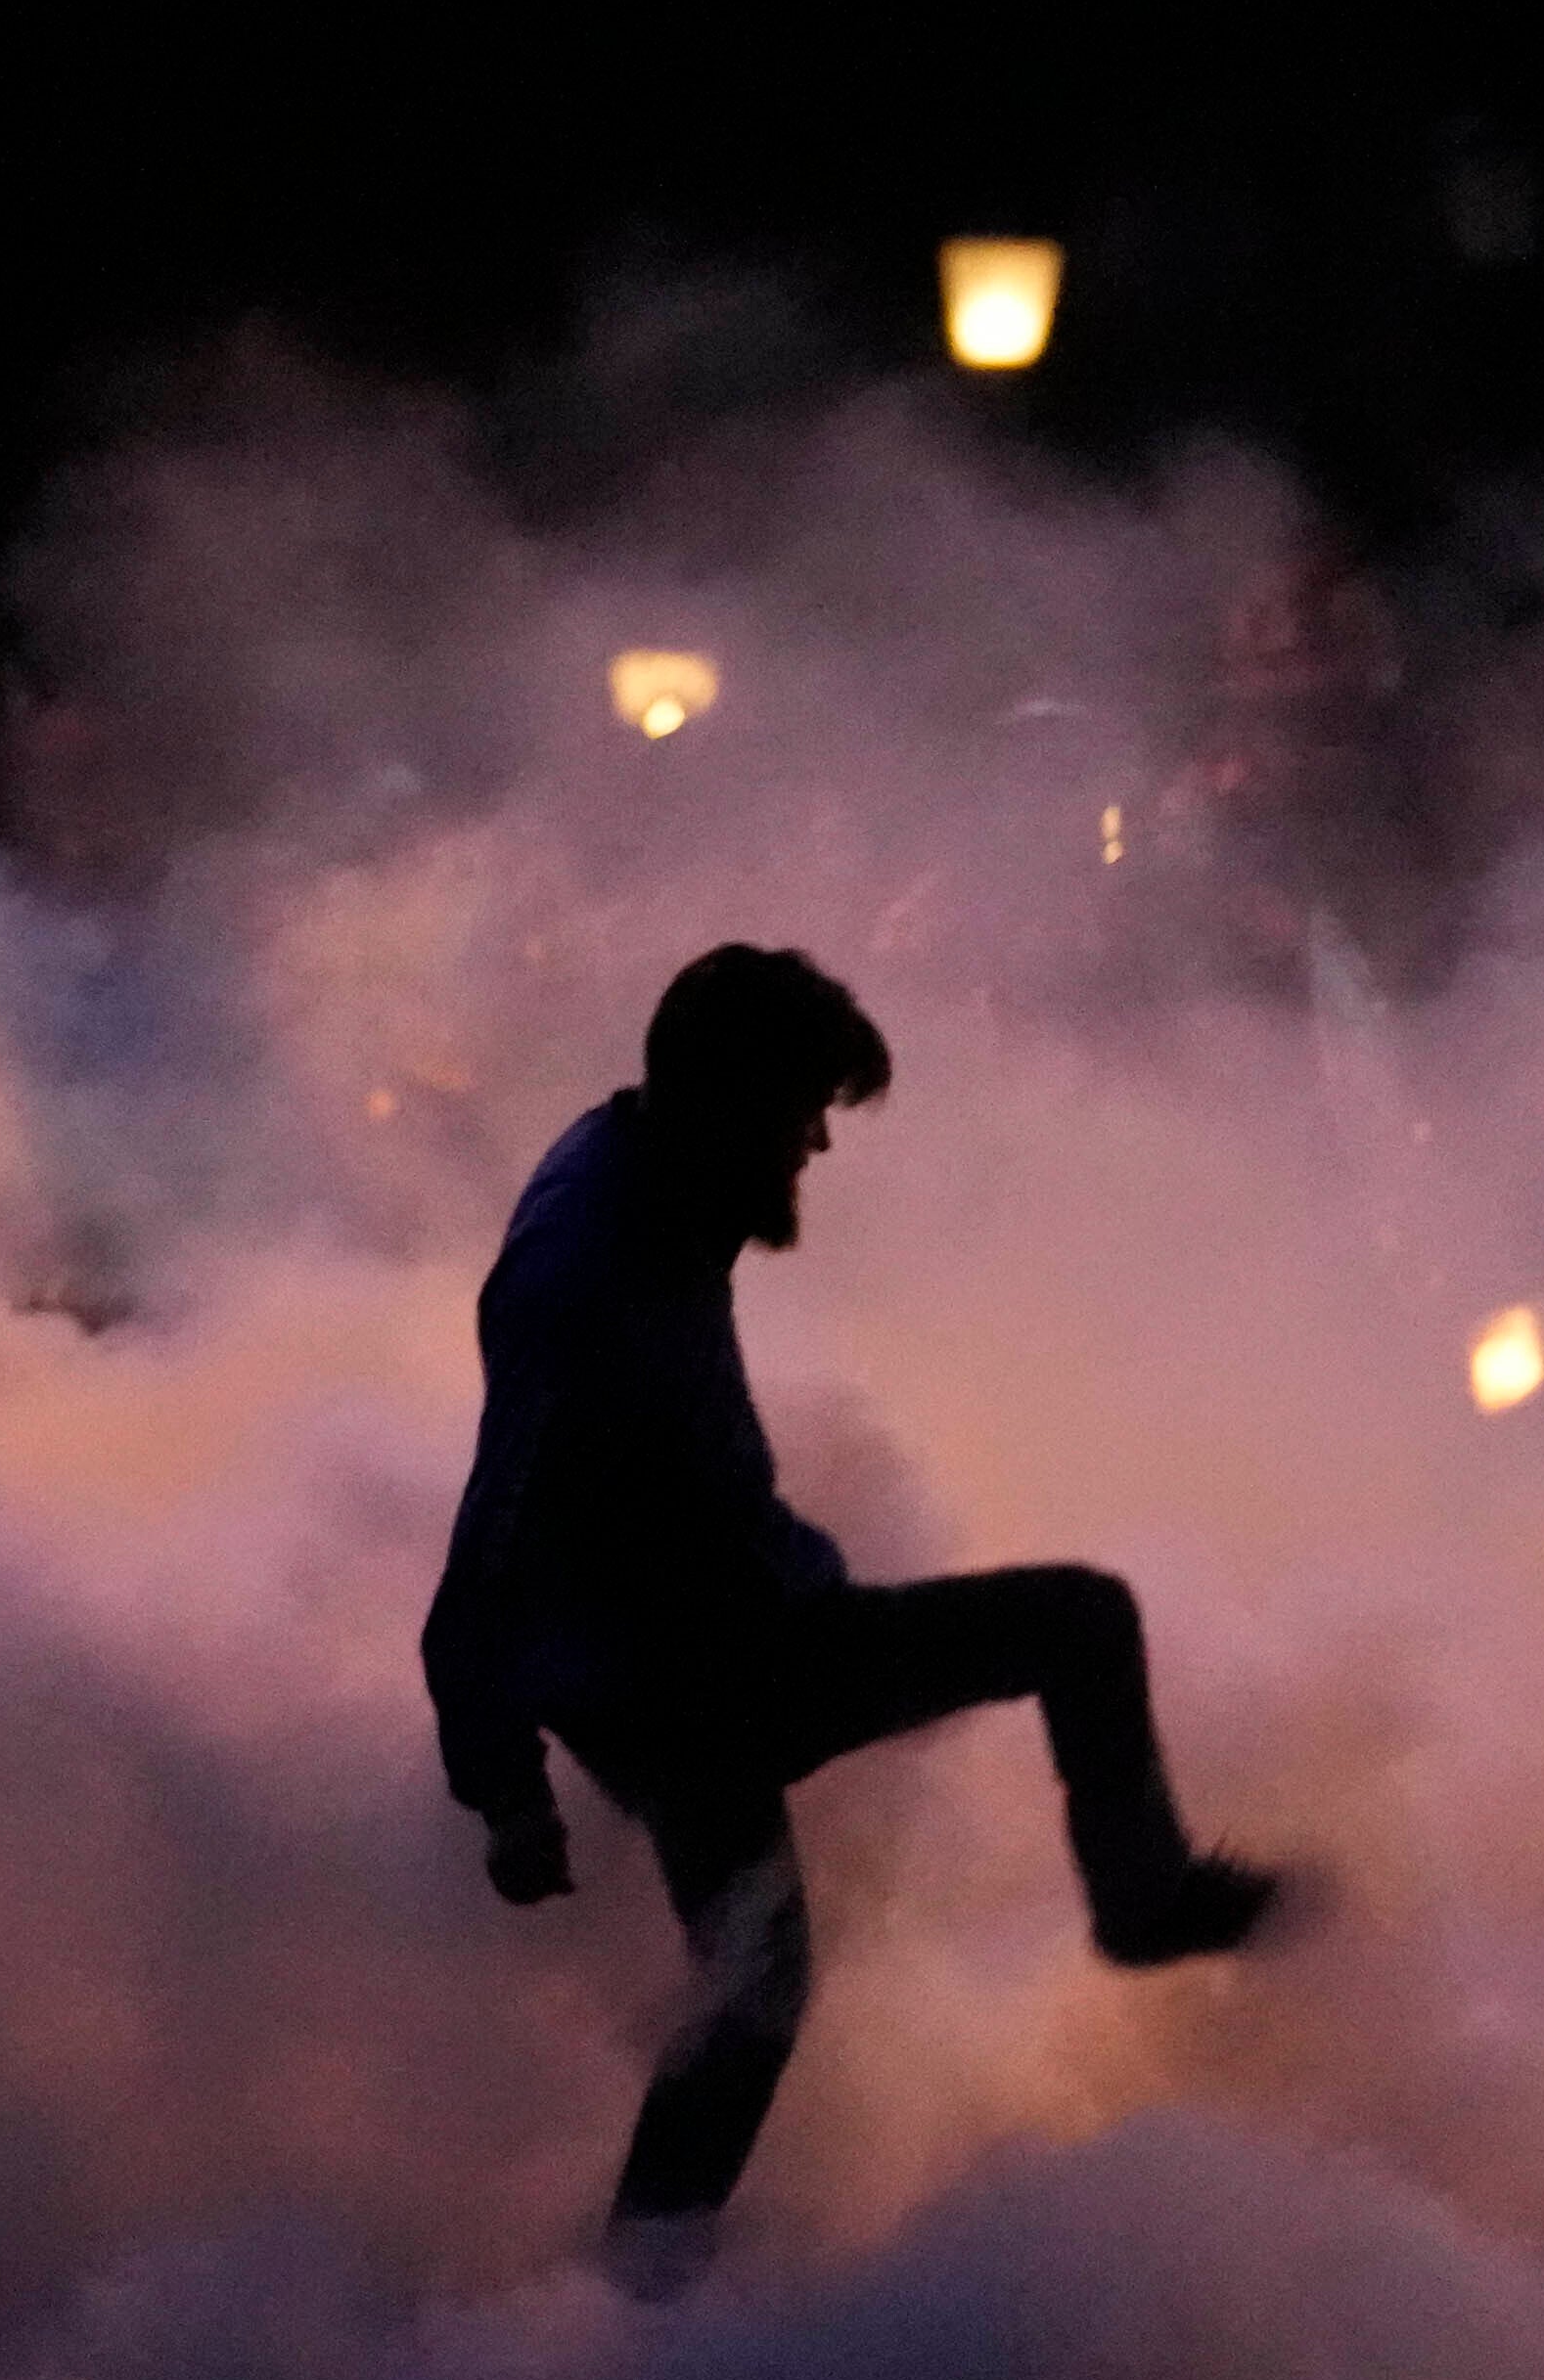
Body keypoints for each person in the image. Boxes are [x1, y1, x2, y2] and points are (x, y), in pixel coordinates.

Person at [423, 943, 1287, 2295]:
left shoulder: (652, 1181)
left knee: (758, 1988)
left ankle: (636, 2299)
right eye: (798, 1113)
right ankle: (1147, 1904)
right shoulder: (583, 1276)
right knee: (1079, 1621)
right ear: (723, 1102)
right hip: (689, 1675)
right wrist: (506, 1795)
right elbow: (481, 1564)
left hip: (703, 1647)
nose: (815, 1143)